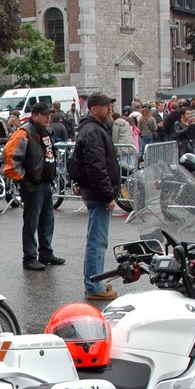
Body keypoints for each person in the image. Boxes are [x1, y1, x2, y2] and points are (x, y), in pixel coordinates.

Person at [3, 102, 63, 270]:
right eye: (44, 114)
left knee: (47, 221)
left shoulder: (44, 132)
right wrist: (23, 180)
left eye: (49, 114)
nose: (48, 117)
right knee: (31, 222)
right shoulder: (24, 132)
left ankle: (46, 253)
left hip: (44, 183)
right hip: (33, 185)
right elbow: (10, 156)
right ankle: (29, 257)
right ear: (35, 115)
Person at [73, 92, 121, 301]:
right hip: (98, 193)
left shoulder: (93, 128)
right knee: (97, 241)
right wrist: (107, 195)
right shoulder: (93, 130)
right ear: (94, 109)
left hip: (95, 191)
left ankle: (95, 281)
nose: (110, 108)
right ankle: (94, 285)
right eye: (105, 105)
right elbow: (96, 167)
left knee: (97, 240)